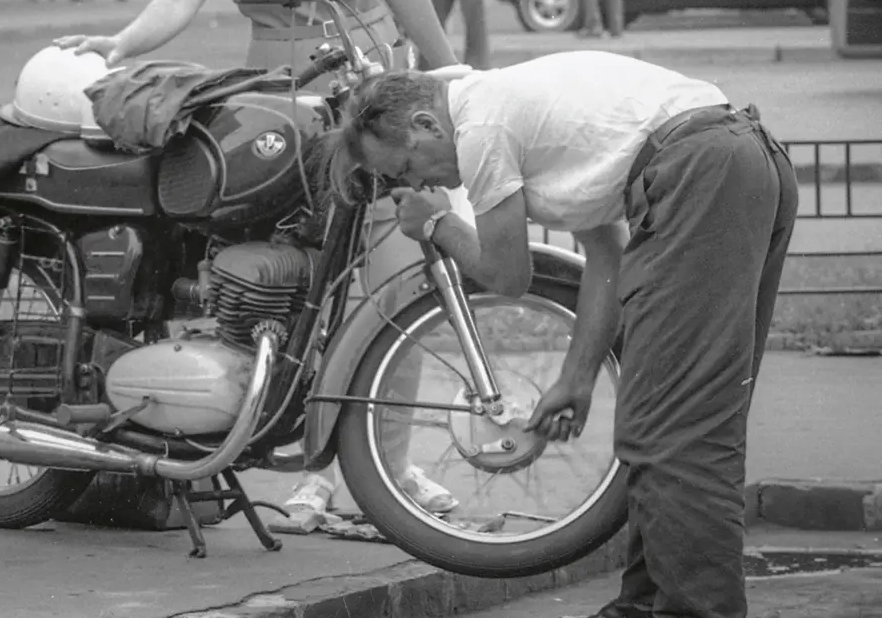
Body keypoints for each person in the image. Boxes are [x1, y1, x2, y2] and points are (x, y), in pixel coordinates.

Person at [55, 0, 465, 518]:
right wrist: (120, 44)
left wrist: (451, 81)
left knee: (402, 282)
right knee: (316, 298)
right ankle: (317, 472)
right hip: (290, 105)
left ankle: (390, 469)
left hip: (382, 87)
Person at [327, 52, 799, 618]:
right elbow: (605, 257)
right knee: (677, 424)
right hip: (735, 160)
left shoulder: (481, 127)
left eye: (406, 166)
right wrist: (576, 378)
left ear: (426, 126)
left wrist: (435, 223)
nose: (418, 181)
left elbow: (508, 274)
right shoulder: (500, 106)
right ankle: (645, 604)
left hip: (701, 175)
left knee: (675, 432)